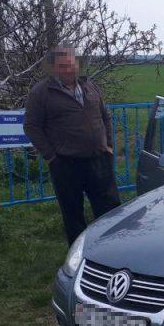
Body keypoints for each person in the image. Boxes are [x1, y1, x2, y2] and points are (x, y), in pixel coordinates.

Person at [24, 45, 121, 243]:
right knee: (73, 214)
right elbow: (32, 126)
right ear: (54, 68)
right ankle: (79, 258)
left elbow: (105, 117)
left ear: (77, 64)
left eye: (71, 64)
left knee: (109, 210)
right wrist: (51, 156)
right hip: (66, 164)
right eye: (62, 65)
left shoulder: (90, 86)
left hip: (98, 160)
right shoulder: (42, 92)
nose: (68, 69)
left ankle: (112, 251)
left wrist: (109, 146)